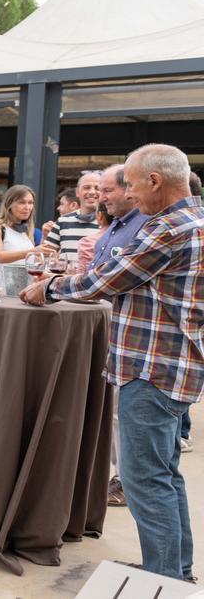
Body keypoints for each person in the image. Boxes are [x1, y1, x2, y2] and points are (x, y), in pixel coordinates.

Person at [21, 144, 203, 581]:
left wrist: (48, 288)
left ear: (156, 181)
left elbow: (106, 279)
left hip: (152, 368)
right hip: (172, 366)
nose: (130, 195)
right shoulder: (193, 219)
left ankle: (165, 580)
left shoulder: (169, 227)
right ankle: (174, 570)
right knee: (164, 475)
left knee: (145, 481)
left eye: (133, 185)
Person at [85, 164, 151, 507]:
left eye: (107, 190)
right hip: (107, 322)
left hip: (129, 331)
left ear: (130, 189)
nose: (100, 196)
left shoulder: (146, 227)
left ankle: (125, 481)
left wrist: (54, 287)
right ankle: (117, 475)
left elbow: (110, 280)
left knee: (122, 409)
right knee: (111, 409)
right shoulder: (118, 225)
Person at [0, 185, 43, 268]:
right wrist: (31, 252)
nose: (27, 207)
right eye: (22, 202)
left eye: (30, 203)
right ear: (9, 204)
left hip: (23, 280)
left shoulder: (26, 230)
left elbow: (32, 263)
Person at [43, 173, 101, 257]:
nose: (92, 192)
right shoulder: (62, 221)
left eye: (97, 188)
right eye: (86, 187)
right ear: (77, 192)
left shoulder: (111, 222)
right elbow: (45, 255)